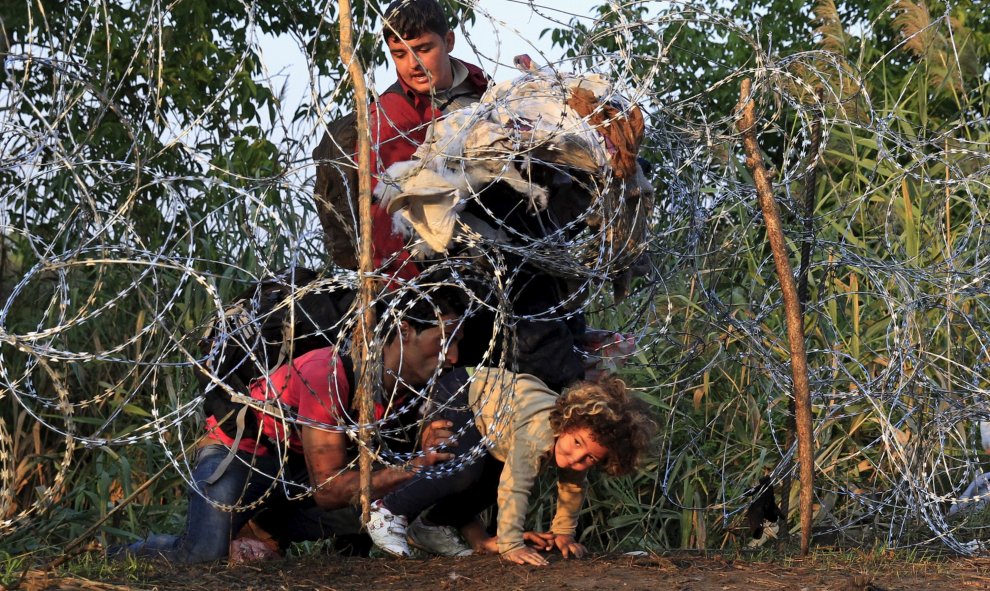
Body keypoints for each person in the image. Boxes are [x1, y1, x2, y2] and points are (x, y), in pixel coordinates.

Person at [114, 283, 467, 563]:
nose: (452, 357)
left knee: (392, 489)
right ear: (405, 330)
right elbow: (328, 490)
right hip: (243, 452)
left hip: (296, 468)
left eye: (457, 343)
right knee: (202, 554)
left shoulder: (413, 389)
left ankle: (266, 527)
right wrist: (414, 466)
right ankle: (118, 553)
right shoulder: (328, 373)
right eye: (443, 341)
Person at [365, 370, 654, 565]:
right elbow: (515, 486)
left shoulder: (573, 442)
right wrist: (512, 544)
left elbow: (573, 486)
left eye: (590, 458)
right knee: (463, 470)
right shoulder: (540, 433)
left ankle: (430, 526)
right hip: (465, 393)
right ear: (568, 421)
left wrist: (564, 533)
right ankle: (388, 508)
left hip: (494, 423)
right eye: (577, 443)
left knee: (489, 483)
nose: (576, 458)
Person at [368, 0, 489, 280]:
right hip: (446, 271)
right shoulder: (392, 117)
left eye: (424, 49)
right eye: (399, 54)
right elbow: (386, 221)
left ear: (449, 41)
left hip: (507, 251)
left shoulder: (479, 85)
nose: (413, 65)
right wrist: (422, 306)